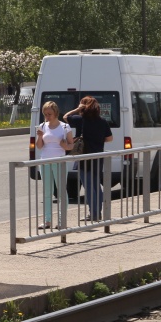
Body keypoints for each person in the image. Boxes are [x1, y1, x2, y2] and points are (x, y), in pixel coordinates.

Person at [63, 96, 113, 222]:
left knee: (89, 186)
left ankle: (94, 214)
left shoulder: (80, 119)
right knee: (96, 185)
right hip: (98, 157)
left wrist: (77, 109)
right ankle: (98, 212)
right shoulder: (102, 121)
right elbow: (109, 138)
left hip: (84, 157)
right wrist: (97, 140)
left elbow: (65, 117)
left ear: (83, 107)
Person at [35, 101, 73, 229]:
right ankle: (47, 220)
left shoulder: (65, 127)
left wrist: (64, 145)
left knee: (61, 191)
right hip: (45, 161)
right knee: (47, 191)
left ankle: (62, 220)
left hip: (59, 161)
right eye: (45, 114)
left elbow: (71, 145)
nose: (47, 116)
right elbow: (39, 146)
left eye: (49, 114)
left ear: (56, 113)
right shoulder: (42, 126)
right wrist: (39, 137)